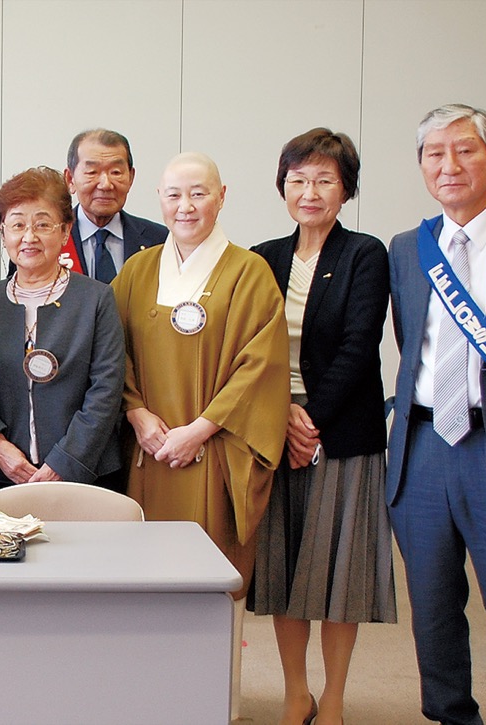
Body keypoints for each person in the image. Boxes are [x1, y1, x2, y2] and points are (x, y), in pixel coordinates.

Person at [112, 152, 287, 720]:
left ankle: (217, 701)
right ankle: (148, 699)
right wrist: (138, 415)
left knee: (210, 577)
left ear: (222, 195)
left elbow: (259, 365)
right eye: (173, 195)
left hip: (213, 453)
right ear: (158, 200)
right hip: (151, 453)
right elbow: (114, 358)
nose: (185, 206)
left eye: (198, 193)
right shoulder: (137, 271)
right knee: (144, 581)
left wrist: (199, 430)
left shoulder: (249, 272)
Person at [250, 128, 396, 725]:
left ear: (345, 189)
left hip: (342, 435)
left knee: (339, 575)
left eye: (325, 180)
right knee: (285, 574)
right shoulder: (264, 257)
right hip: (273, 432)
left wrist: (310, 417)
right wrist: (282, 415)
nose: (310, 192)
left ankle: (333, 698)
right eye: (299, 179)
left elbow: (361, 346)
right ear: (283, 186)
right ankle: (295, 693)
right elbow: (252, 349)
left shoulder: (365, 253)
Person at [387, 103, 486, 725]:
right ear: (421, 166)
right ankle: (450, 716)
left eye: (465, 150)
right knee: (435, 612)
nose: (450, 165)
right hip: (423, 452)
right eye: (435, 153)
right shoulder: (407, 248)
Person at [0, 167, 125, 491]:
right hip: (10, 474)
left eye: (42, 224)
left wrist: (64, 461)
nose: (29, 237)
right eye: (17, 225)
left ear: (65, 231)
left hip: (86, 475)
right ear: (3, 232)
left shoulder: (96, 299)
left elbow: (106, 390)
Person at [61, 129, 167, 282]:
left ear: (130, 178)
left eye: (116, 172)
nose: (105, 184)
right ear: (70, 179)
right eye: (92, 172)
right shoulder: (48, 241)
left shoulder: (160, 241)